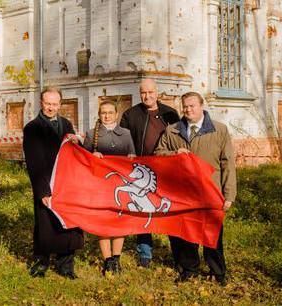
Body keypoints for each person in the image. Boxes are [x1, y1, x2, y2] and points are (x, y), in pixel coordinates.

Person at [154, 91, 237, 284]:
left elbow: (228, 164)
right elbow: (158, 154)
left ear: (201, 106)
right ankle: (189, 270)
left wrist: (229, 194)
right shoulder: (172, 130)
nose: (188, 110)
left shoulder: (219, 130)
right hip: (183, 193)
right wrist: (174, 153)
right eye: (185, 106)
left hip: (211, 192)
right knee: (186, 233)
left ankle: (218, 272)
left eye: (192, 106)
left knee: (212, 234)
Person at [23, 87, 84, 279]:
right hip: (45, 183)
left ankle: (66, 266)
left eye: (55, 104)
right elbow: (34, 162)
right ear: (41, 103)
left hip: (66, 184)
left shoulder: (66, 124)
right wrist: (42, 192)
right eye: (48, 104)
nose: (51, 108)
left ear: (60, 104)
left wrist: (79, 141)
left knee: (68, 223)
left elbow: (74, 152)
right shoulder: (32, 128)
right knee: (45, 224)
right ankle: (41, 264)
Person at [119, 78, 180, 268]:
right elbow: (123, 139)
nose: (147, 96)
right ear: (140, 93)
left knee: (170, 210)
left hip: (166, 169)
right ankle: (145, 254)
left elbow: (179, 139)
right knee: (142, 210)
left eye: (151, 92)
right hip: (141, 169)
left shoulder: (170, 113)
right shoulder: (130, 114)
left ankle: (177, 251)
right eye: (143, 93)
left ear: (157, 92)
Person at [83, 101, 136, 275]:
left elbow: (133, 157)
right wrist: (92, 156)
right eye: (103, 113)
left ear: (116, 114)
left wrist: (131, 157)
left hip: (121, 185)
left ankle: (117, 259)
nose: (107, 116)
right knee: (104, 222)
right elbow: (83, 161)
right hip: (101, 185)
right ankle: (107, 261)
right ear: (99, 114)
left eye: (110, 112)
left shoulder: (126, 134)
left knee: (120, 221)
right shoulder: (92, 134)